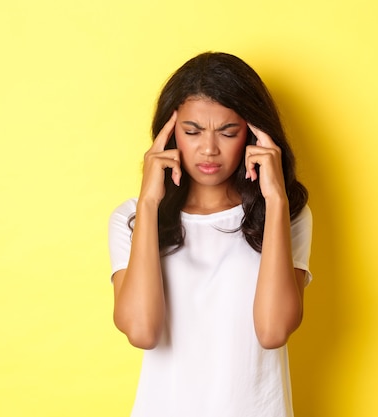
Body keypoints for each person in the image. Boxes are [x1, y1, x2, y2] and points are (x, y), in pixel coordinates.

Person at [108, 52, 312, 417]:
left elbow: (273, 331)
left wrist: (276, 199)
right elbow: (142, 331)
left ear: (253, 135)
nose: (209, 149)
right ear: (169, 136)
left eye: (228, 132)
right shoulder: (132, 219)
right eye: (192, 131)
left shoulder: (285, 214)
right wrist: (150, 203)